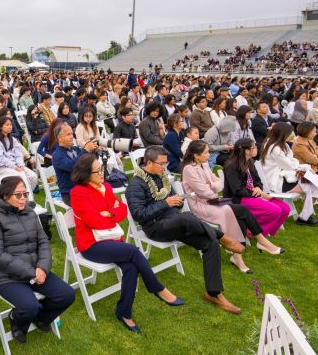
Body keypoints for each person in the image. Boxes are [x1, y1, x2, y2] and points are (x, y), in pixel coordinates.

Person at [71, 154, 183, 333]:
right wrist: (107, 214)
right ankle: (156, 287)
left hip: (112, 239)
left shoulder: (106, 187)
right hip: (92, 245)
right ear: (85, 173)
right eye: (97, 170)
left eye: (101, 168)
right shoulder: (78, 192)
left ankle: (124, 312)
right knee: (133, 251)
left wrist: (108, 214)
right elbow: (92, 221)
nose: (102, 172)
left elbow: (122, 211)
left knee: (131, 268)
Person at [126, 145, 244, 314]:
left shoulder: (162, 177)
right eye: (162, 164)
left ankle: (214, 293)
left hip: (176, 222)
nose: (165, 167)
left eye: (166, 163)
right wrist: (165, 203)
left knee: (209, 243)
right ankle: (221, 236)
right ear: (149, 163)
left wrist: (178, 201)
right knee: (188, 217)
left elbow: (178, 201)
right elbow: (139, 214)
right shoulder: (136, 185)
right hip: (156, 228)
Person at [0, 176, 75, 343]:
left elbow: (43, 242)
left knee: (67, 294)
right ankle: (16, 320)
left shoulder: (30, 212)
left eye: (25, 193)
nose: (24, 198)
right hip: (7, 277)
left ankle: (40, 318)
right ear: (5, 196)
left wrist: (42, 267)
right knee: (29, 306)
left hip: (35, 270)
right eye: (18, 195)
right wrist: (31, 272)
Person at [182, 141, 284, 274]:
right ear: (196, 155)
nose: (209, 154)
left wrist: (211, 185)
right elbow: (203, 192)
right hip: (200, 205)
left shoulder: (205, 165)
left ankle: (246, 250)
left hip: (213, 201)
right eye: (206, 152)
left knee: (241, 211)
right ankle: (252, 247)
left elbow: (220, 184)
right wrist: (212, 186)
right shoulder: (189, 169)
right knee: (235, 211)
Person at [260, 123, 318, 226]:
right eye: (289, 133)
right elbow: (288, 165)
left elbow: (292, 161)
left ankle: (311, 215)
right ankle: (307, 217)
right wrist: (306, 167)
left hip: (283, 176)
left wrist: (302, 167)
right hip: (276, 181)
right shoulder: (275, 148)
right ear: (283, 134)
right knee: (311, 184)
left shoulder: (283, 144)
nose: (292, 134)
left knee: (313, 183)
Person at [223, 138, 290, 236]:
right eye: (253, 147)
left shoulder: (250, 162)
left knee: (285, 208)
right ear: (246, 151)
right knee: (274, 210)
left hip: (252, 194)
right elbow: (236, 190)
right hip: (239, 198)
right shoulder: (232, 166)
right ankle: (257, 233)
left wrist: (258, 188)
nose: (256, 149)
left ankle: (265, 231)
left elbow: (257, 180)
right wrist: (256, 193)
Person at [52, 122, 98, 206]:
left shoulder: (76, 149)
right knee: (93, 205)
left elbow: (89, 163)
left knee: (103, 198)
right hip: (70, 194)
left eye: (71, 134)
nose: (71, 136)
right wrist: (85, 150)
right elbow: (72, 166)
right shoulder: (56, 155)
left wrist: (94, 151)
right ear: (59, 138)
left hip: (85, 188)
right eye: (68, 134)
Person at [0, 116, 38, 190]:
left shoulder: (13, 139)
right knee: (21, 177)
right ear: (1, 127)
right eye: (7, 125)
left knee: (33, 176)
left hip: (16, 165)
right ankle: (23, 198)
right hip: (2, 168)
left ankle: (26, 197)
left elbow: (18, 154)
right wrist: (15, 167)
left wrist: (20, 165)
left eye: (10, 124)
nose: (10, 127)